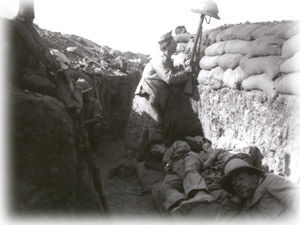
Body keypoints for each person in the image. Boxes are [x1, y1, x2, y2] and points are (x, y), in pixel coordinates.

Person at [151, 138, 241, 215]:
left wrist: (170, 161)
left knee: (190, 170)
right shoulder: (163, 162)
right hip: (174, 171)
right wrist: (167, 168)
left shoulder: (175, 144)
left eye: (155, 147)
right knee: (163, 186)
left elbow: (184, 147)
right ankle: (181, 204)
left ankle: (199, 194)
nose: (155, 151)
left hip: (186, 158)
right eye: (153, 152)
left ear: (162, 144)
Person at [134, 31, 192, 150]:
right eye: (173, 43)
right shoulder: (159, 60)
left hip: (155, 97)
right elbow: (169, 78)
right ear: (168, 45)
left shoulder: (167, 59)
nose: (176, 45)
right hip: (147, 96)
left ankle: (140, 154)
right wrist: (186, 72)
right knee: (156, 121)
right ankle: (156, 154)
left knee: (148, 127)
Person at [220, 157, 299, 219]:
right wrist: (234, 205)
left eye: (241, 178)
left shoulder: (269, 181)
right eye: (233, 183)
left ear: (254, 177)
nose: (238, 185)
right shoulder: (245, 205)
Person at [76, 79, 104, 151]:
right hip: (79, 127)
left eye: (86, 93)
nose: (84, 95)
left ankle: (94, 146)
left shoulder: (94, 102)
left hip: (91, 125)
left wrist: (86, 122)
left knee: (97, 126)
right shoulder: (75, 104)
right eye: (82, 94)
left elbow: (98, 118)